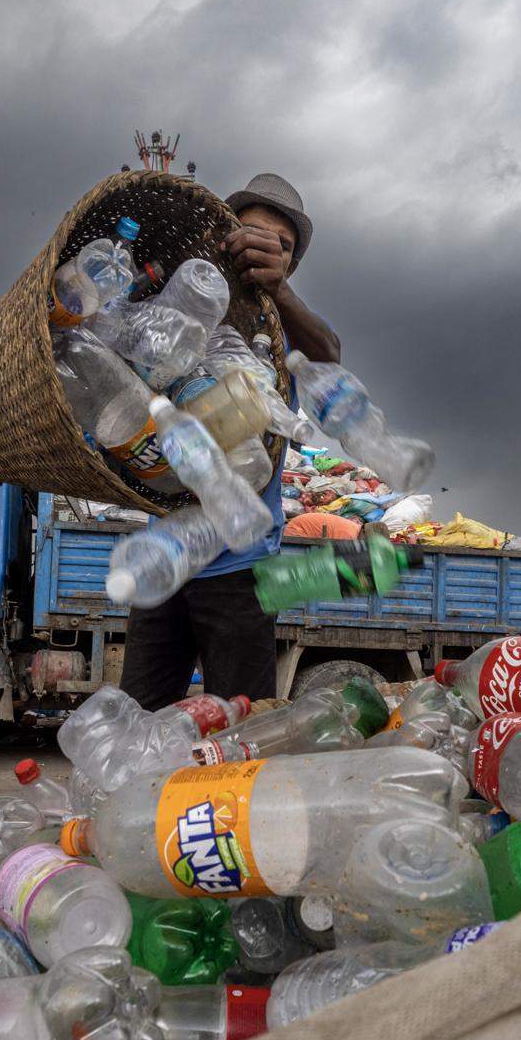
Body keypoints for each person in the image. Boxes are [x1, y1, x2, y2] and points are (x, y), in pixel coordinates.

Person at [116, 173, 338, 711]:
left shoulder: (281, 338)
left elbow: (331, 356)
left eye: (282, 245)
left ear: (292, 264)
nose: (265, 246)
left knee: (240, 730)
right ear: (225, 233)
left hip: (242, 570)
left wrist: (279, 290)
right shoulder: (188, 311)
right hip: (169, 560)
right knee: (140, 718)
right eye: (252, 232)